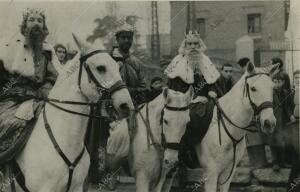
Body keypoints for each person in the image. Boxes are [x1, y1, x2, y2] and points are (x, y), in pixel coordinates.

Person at [0, 8, 58, 166]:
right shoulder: (9, 47)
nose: (36, 24)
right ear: (24, 25)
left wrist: (46, 86)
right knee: (9, 123)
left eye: (40, 21)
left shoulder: (47, 52)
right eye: (32, 20)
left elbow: (53, 77)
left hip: (37, 98)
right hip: (11, 99)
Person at [164, 30, 220, 185]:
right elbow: (173, 86)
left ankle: (210, 155)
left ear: (200, 44)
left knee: (214, 118)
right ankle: (183, 158)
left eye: (196, 44)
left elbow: (213, 83)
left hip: (205, 102)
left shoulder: (206, 61)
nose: (193, 47)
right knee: (185, 121)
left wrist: (211, 92)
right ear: (185, 45)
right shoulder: (178, 61)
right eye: (190, 44)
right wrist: (189, 98)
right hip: (182, 103)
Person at [269, 73, 293, 171]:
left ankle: (282, 162)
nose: (277, 84)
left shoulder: (286, 92)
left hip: (283, 120)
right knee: (273, 140)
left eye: (279, 82)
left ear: (283, 82)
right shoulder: (270, 92)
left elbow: (287, 107)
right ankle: (275, 162)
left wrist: (290, 116)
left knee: (283, 140)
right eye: (274, 82)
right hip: (273, 119)